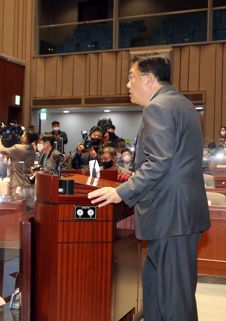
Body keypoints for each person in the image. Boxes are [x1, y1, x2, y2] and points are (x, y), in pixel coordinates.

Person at [88, 54, 211, 321]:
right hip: (179, 216)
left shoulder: (158, 108)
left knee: (174, 301)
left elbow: (159, 162)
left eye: (131, 77)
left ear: (148, 78)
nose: (128, 84)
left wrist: (120, 192)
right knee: (158, 292)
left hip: (171, 217)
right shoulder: (183, 104)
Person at [0, 128, 38, 197]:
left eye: (23, 135)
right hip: (28, 182)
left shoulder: (18, 148)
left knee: (17, 204)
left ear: (26, 138)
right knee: (26, 205)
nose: (21, 136)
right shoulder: (32, 149)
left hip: (19, 184)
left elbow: (2, 150)